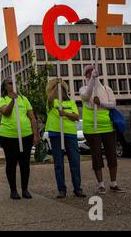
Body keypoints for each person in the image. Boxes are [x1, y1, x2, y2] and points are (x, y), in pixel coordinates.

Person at [80, 65, 125, 194]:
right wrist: (92, 81)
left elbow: (113, 104)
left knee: (111, 154)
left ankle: (113, 183)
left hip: (108, 127)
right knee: (97, 156)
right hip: (92, 129)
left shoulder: (106, 89)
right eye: (87, 73)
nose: (90, 74)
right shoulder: (83, 88)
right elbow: (85, 96)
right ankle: (101, 184)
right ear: (85, 76)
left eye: (92, 71)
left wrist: (101, 104)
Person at [0, 77, 40, 200]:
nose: (13, 85)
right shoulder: (2, 100)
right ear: (6, 87)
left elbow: (32, 118)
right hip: (8, 137)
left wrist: (36, 134)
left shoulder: (24, 99)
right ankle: (13, 190)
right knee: (11, 163)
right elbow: (6, 112)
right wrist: (13, 101)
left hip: (26, 135)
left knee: (25, 163)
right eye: (10, 83)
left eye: (15, 82)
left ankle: (25, 189)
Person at [45, 78, 86, 199]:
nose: (59, 92)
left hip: (70, 134)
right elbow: (50, 99)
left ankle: (77, 188)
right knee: (59, 163)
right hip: (56, 134)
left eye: (61, 90)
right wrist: (56, 86)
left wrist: (66, 114)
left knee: (74, 161)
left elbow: (76, 117)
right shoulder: (51, 103)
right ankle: (61, 189)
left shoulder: (71, 102)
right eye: (57, 90)